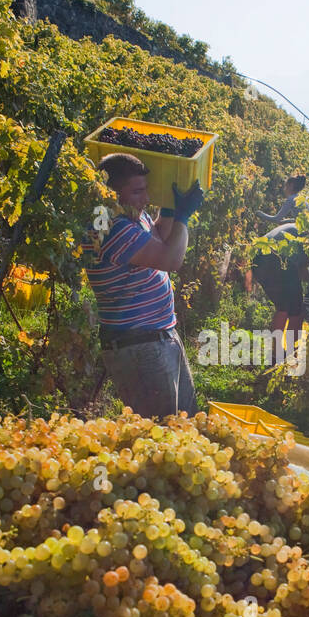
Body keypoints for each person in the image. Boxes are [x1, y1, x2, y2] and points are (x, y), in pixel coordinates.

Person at [81, 152, 204, 419]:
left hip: (157, 337)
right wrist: (182, 217)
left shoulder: (128, 218)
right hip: (139, 346)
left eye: (146, 190)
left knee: (185, 423)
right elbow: (171, 259)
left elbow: (159, 235)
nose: (146, 199)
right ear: (110, 193)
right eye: (137, 192)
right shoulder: (110, 227)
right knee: (161, 433)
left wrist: (170, 210)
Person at [249, 174, 309, 366]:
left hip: (260, 259)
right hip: (277, 258)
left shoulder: (292, 226)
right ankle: (290, 354)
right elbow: (304, 271)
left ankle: (277, 354)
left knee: (284, 307)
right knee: (296, 309)